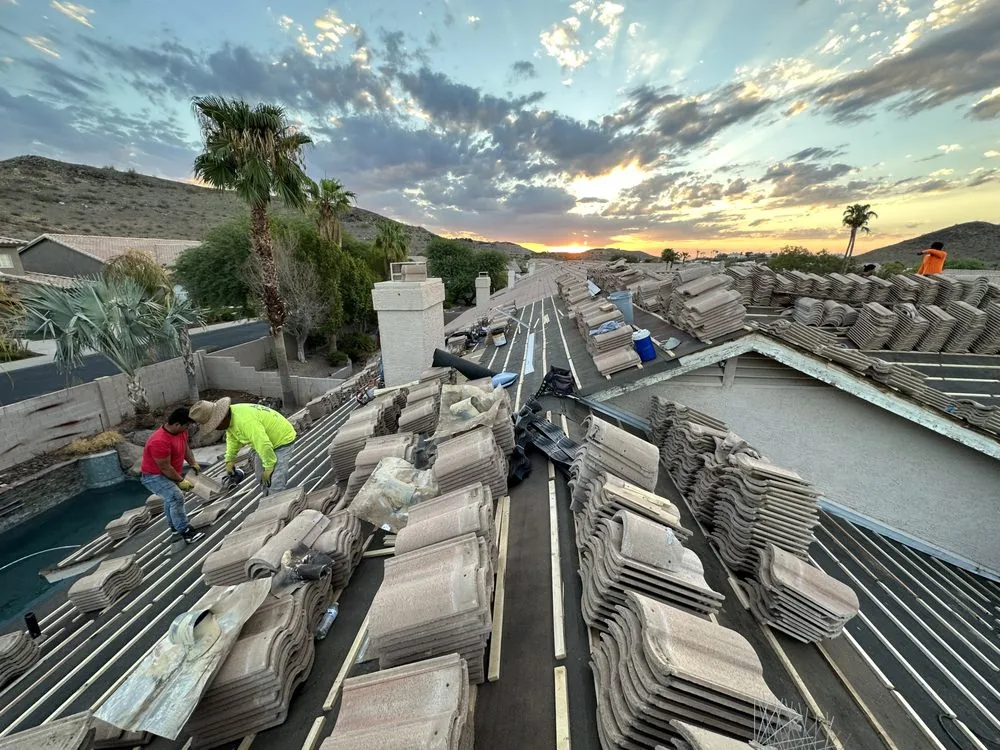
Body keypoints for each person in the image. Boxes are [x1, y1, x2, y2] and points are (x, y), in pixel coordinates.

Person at [189, 398, 297, 495]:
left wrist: (269, 468)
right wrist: (229, 460)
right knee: (261, 476)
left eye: (215, 425)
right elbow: (232, 439)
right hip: (264, 443)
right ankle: (268, 499)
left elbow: (263, 444)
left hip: (282, 440)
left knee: (276, 481)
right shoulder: (230, 418)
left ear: (222, 418)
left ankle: (276, 501)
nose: (216, 429)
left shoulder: (245, 422)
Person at [139, 407, 205, 543]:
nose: (188, 428)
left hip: (169, 471)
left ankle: (174, 527)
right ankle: (185, 531)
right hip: (154, 476)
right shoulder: (159, 441)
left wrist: (193, 462)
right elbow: (165, 467)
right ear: (176, 424)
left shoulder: (181, 432)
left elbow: (185, 447)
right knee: (176, 497)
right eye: (186, 425)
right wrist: (181, 480)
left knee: (171, 499)